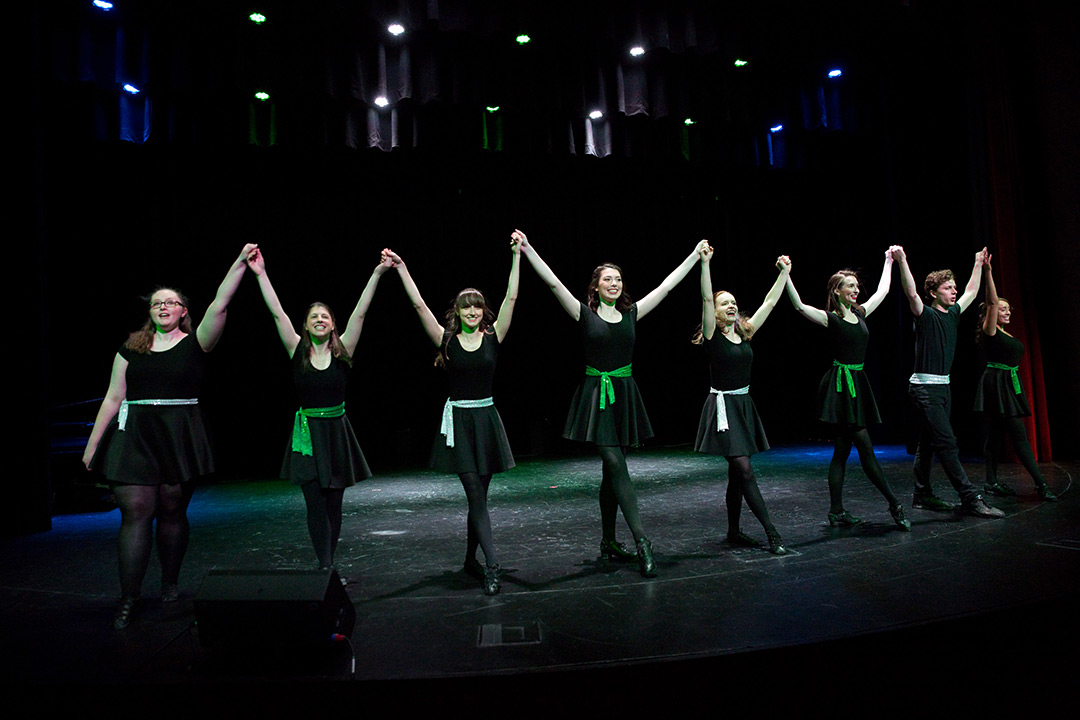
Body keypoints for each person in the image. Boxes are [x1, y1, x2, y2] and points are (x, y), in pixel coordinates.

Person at [82, 244, 257, 630]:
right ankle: (129, 597)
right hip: (135, 437)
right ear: (149, 312)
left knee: (173, 509)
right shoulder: (131, 349)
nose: (163, 307)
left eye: (171, 302)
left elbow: (221, 303)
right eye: (157, 303)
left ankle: (170, 583)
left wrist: (241, 264)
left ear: (183, 311)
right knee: (136, 512)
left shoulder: (197, 344)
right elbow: (114, 398)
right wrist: (93, 446)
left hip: (178, 434)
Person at [519, 230, 709, 577]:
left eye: (618, 279)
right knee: (616, 463)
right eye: (608, 279)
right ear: (596, 285)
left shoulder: (632, 313)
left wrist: (695, 257)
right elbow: (553, 283)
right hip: (596, 396)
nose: (614, 283)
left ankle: (608, 541)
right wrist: (529, 249)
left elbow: (666, 287)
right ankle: (642, 541)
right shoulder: (584, 313)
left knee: (611, 472)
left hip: (624, 394)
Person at [381, 236, 521, 595]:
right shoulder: (446, 340)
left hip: (486, 421)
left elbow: (512, 297)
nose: (472, 312)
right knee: (475, 495)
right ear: (457, 313)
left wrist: (516, 257)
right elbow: (418, 305)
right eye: (465, 307)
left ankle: (469, 560)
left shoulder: (494, 337)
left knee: (480, 499)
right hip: (459, 424)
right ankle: (492, 564)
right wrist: (402, 268)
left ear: (483, 311)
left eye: (477, 307)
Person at [246, 247, 391, 573]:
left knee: (334, 504)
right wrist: (260, 274)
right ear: (306, 325)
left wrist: (378, 273)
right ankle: (325, 566)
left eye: (325, 316)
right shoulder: (296, 349)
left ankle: (328, 563)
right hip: (307, 435)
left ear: (333, 324)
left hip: (337, 434)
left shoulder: (344, 351)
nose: (320, 320)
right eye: (314, 317)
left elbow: (360, 314)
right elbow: (277, 313)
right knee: (314, 503)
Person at [784, 250, 911, 531]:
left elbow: (883, 290)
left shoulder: (861, 313)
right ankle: (894, 503)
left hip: (857, 385)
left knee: (842, 451)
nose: (856, 290)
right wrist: (786, 274)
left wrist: (889, 262)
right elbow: (799, 307)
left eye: (856, 286)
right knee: (865, 448)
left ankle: (836, 511)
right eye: (850, 286)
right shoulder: (831, 318)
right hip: (841, 388)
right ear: (837, 291)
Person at [892, 245, 1004, 518]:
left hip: (943, 387)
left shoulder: (953, 314)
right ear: (933, 293)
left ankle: (922, 494)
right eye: (947, 288)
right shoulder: (925, 314)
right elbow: (910, 292)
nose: (954, 291)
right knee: (947, 442)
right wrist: (903, 260)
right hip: (924, 388)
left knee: (928, 443)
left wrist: (979, 264)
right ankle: (969, 498)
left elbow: (971, 292)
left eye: (954, 287)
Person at [694, 247, 792, 554]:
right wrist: (706, 264)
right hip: (723, 410)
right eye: (725, 303)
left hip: (744, 406)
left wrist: (784, 273)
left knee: (736, 475)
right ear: (717, 311)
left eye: (733, 302)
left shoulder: (746, 332)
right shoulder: (712, 335)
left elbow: (771, 302)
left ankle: (734, 531)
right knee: (744, 469)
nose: (730, 306)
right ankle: (771, 532)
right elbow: (706, 299)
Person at [973, 259, 1056, 501]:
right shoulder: (991, 330)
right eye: (1003, 309)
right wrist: (988, 272)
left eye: (1009, 309)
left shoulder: (1005, 331)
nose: (1008, 312)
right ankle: (1041, 484)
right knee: (1018, 436)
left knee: (996, 435)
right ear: (991, 312)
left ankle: (991, 482)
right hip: (996, 384)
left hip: (1006, 384)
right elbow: (990, 301)